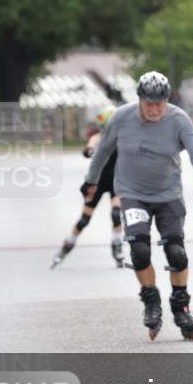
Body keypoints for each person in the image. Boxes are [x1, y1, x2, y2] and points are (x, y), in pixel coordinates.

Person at [82, 71, 193, 341]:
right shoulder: (122, 117)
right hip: (132, 194)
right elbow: (103, 150)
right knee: (140, 251)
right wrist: (90, 182)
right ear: (139, 99)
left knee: (176, 253)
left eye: (159, 103)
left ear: (166, 100)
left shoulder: (179, 120)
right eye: (148, 103)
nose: (154, 109)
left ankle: (181, 308)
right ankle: (151, 300)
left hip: (169, 196)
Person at [51, 106, 124, 269]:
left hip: (116, 180)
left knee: (116, 214)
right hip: (97, 181)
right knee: (84, 219)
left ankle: (117, 246)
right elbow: (91, 144)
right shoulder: (99, 136)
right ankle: (67, 245)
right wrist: (89, 150)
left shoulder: (123, 138)